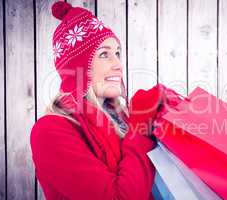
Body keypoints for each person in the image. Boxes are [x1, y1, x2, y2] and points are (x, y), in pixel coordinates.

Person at [30, 1, 165, 199]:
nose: (118, 64)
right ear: (78, 68)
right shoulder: (50, 131)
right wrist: (141, 128)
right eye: (104, 54)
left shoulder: (123, 119)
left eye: (117, 53)